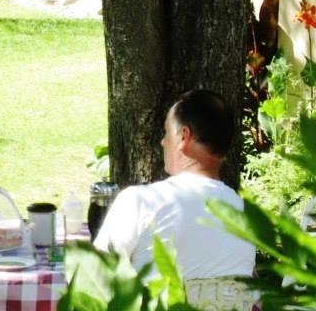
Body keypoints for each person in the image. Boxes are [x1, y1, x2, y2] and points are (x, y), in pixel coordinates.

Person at [93, 89, 255, 280]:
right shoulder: (246, 216)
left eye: (166, 132)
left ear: (184, 137)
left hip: (158, 310)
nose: (162, 142)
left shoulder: (140, 202)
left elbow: (93, 282)